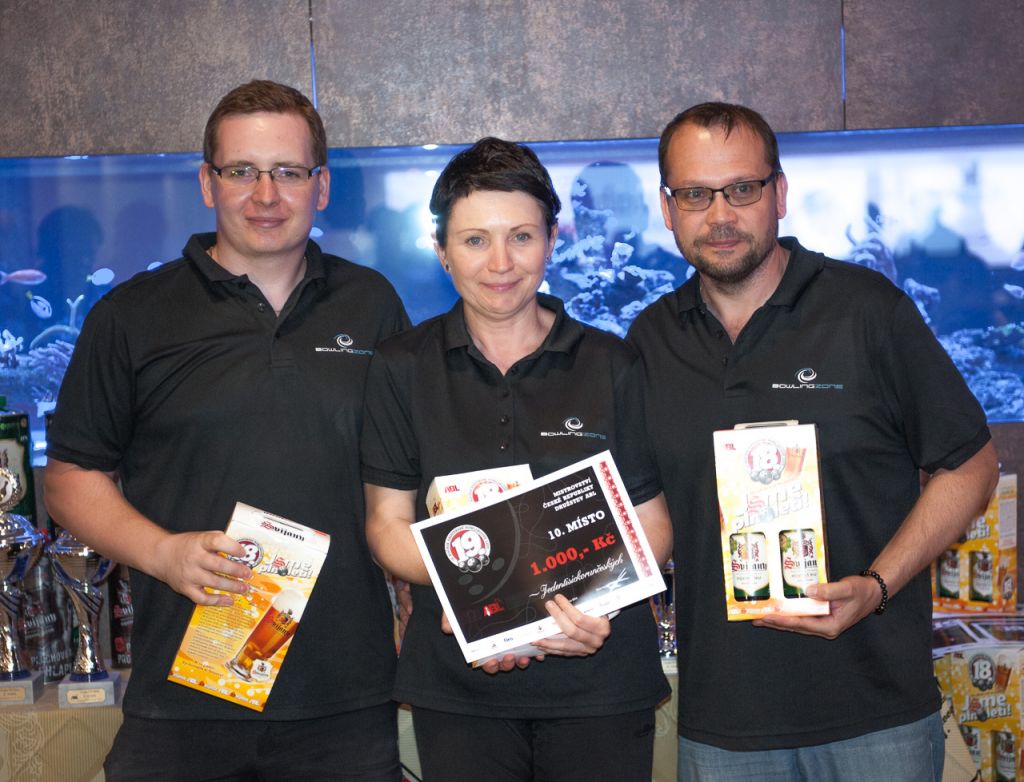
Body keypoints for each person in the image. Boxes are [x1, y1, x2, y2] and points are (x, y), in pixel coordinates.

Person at [44, 80, 409, 781]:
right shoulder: (130, 316)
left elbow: (402, 474)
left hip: (347, 697)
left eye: (288, 172)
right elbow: (69, 480)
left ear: (322, 186)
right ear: (206, 182)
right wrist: (163, 553)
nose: (265, 195)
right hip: (183, 696)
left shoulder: (372, 303)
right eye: (242, 170)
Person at [626, 102, 999, 782]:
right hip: (725, 723)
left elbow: (970, 465)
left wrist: (878, 586)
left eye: (742, 189)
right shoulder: (649, 339)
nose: (720, 215)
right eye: (696, 194)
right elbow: (646, 518)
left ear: (780, 193)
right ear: (667, 207)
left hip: (877, 716)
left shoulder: (868, 310)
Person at [361, 137, 673, 782]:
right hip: (458, 681)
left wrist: (592, 607)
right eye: (475, 240)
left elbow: (652, 523)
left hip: (600, 677)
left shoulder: (612, 363)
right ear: (442, 249)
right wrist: (488, 607)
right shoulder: (400, 367)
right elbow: (387, 525)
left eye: (521, 237)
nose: (500, 263)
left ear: (552, 240)